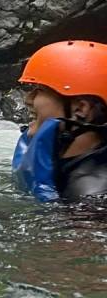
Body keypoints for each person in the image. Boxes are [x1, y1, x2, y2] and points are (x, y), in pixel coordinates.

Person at [12, 40, 107, 202]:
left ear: (81, 109)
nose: (28, 99)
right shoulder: (76, 170)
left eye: (40, 91)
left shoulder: (90, 196)